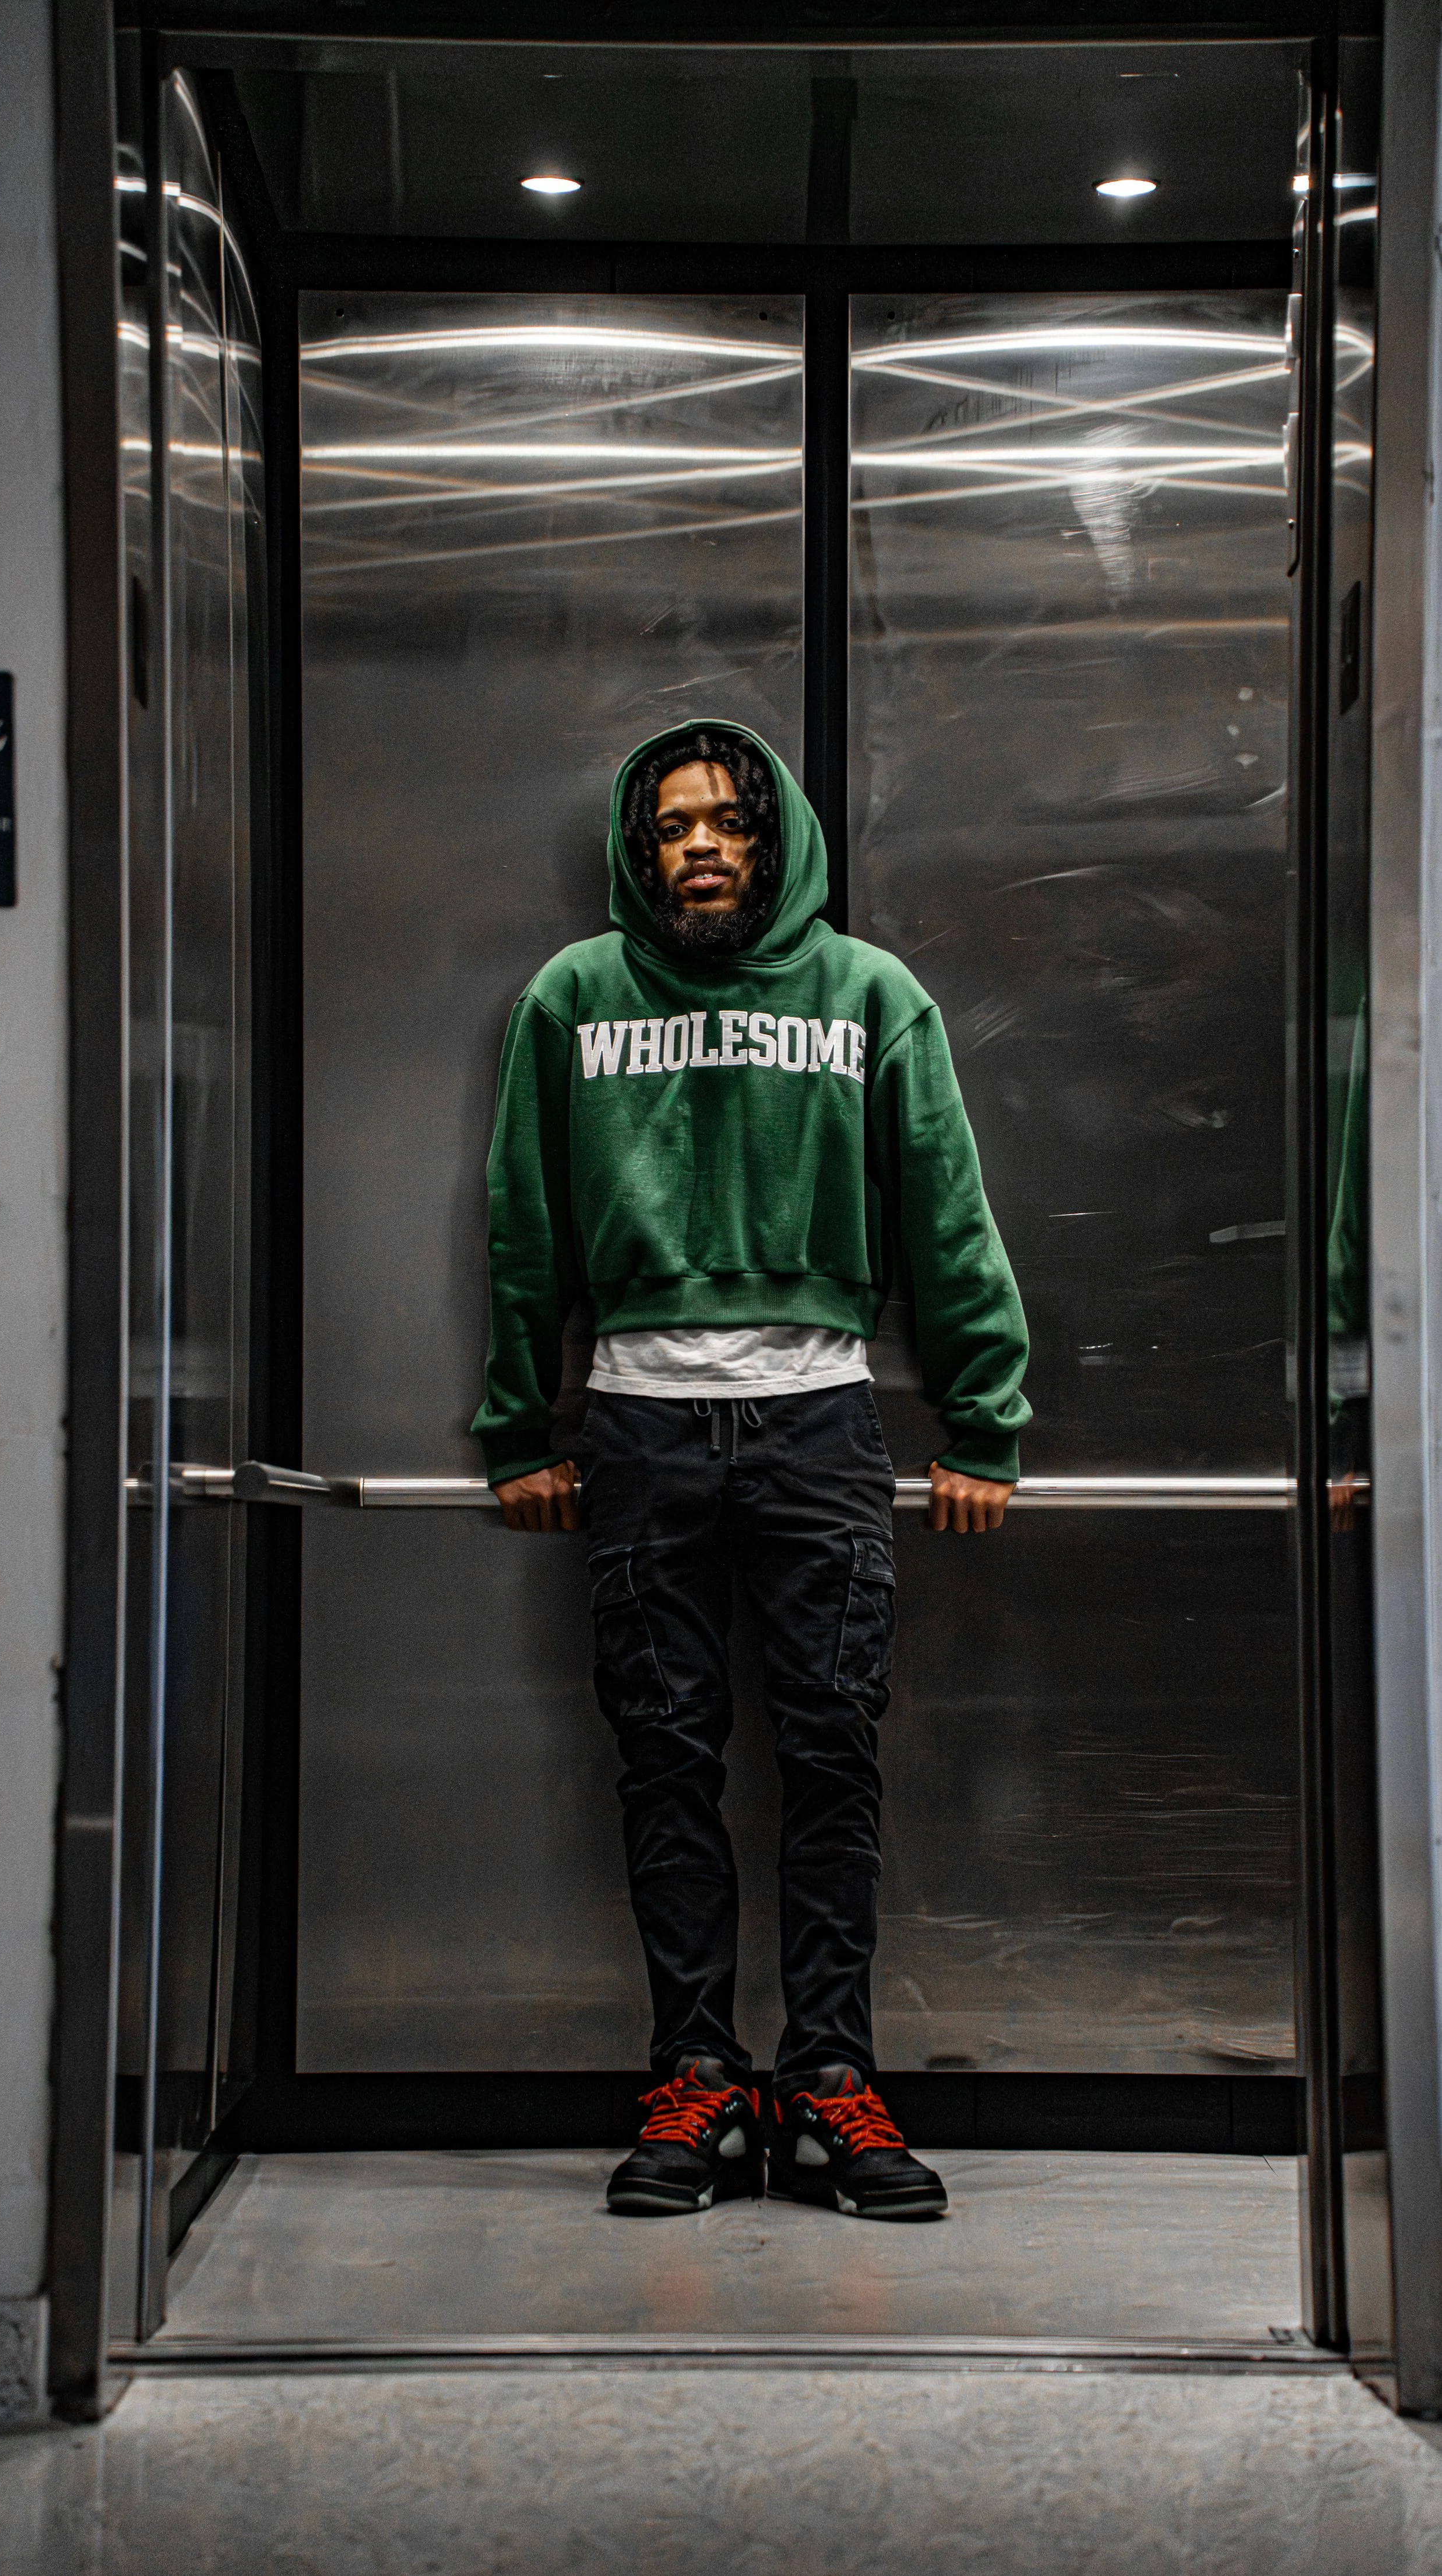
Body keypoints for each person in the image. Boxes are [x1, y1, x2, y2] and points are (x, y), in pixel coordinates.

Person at [474, 721, 1030, 2222]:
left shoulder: (866, 995)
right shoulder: (573, 1000)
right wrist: (521, 1429)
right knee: (664, 1764)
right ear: (636, 851)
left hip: (817, 1421)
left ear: (771, 842)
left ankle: (832, 2077)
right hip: (639, 1427)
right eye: (670, 828)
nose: (701, 846)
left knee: (832, 1763)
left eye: (726, 822)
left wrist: (982, 1423)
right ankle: (698, 2079)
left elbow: (944, 1217)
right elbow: (524, 1230)